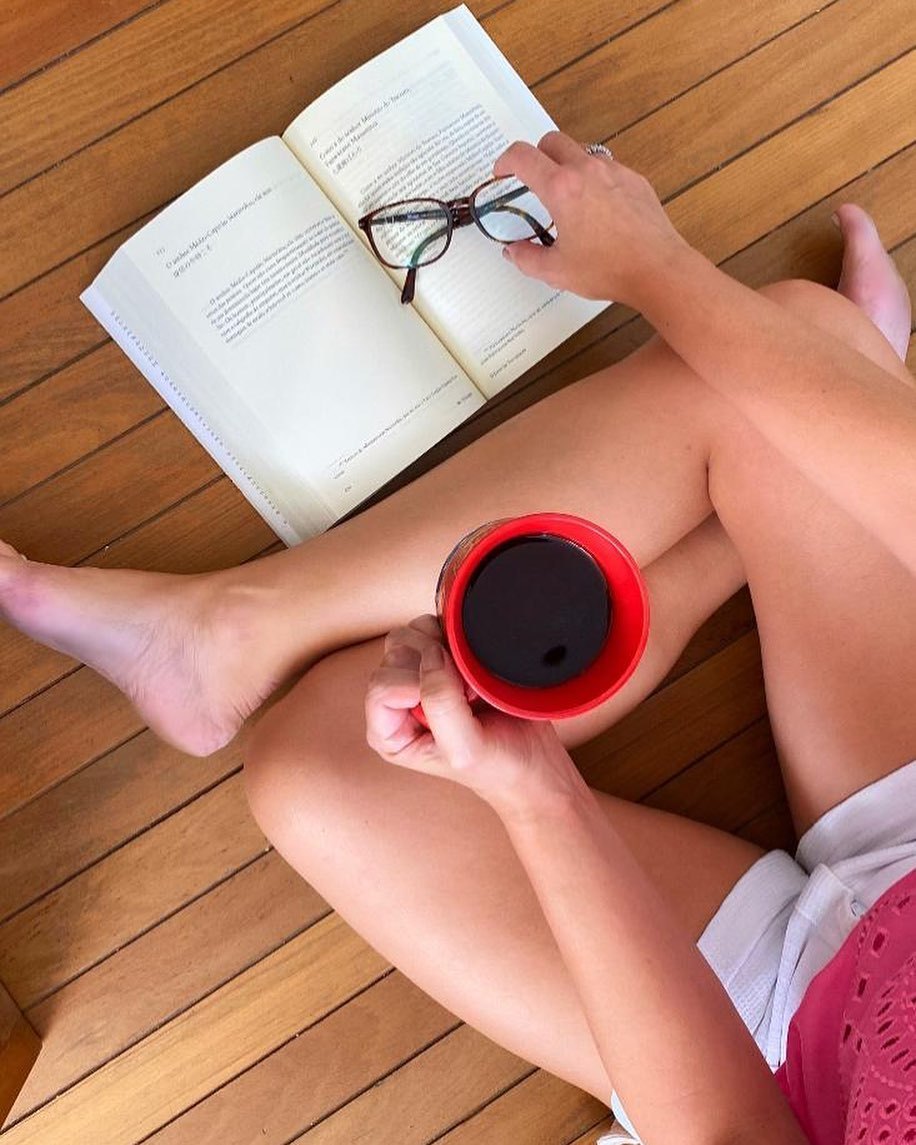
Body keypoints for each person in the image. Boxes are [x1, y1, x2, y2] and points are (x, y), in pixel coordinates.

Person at [1, 132, 914, 1143]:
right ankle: (234, 629)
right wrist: (669, 277)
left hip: (770, 1061)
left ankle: (810, 441)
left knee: (323, 771)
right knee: (801, 342)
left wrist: (540, 797)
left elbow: (731, 1129)